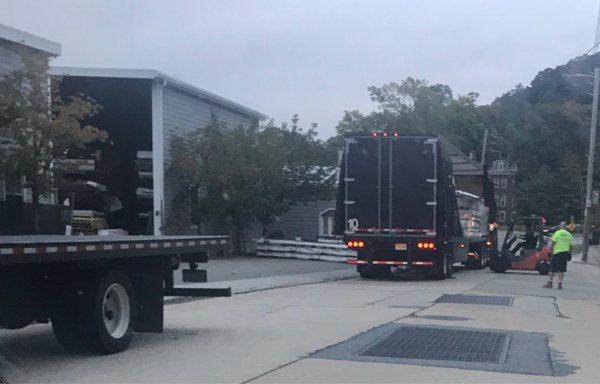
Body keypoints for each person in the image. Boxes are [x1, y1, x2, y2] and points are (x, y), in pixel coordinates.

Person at [543, 221, 574, 289]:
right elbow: (571, 246)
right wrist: (569, 253)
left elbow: (552, 244)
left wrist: (551, 253)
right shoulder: (569, 235)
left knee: (552, 269)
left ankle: (550, 283)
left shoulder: (557, 233)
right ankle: (560, 283)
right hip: (564, 254)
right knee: (562, 270)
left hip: (556, 254)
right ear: (565, 227)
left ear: (560, 226)